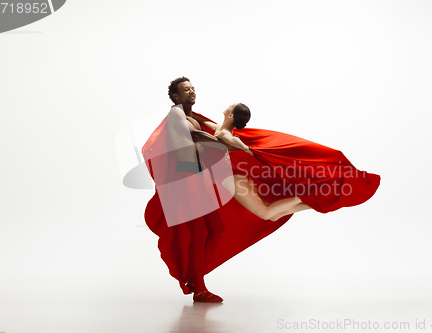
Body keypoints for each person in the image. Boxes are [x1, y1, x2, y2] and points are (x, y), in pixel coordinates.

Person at [142, 77, 381, 304]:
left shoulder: (196, 117)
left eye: (193, 88)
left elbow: (221, 136)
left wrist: (233, 140)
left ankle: (197, 282)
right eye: (186, 89)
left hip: (207, 178)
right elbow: (195, 139)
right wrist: (220, 142)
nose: (192, 91)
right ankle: (199, 287)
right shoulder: (177, 114)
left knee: (219, 229)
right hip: (190, 181)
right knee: (207, 231)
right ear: (175, 95)